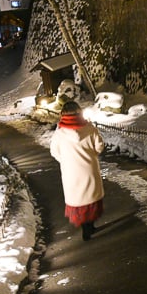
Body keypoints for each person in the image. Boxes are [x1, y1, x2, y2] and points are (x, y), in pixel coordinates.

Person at [50, 101, 105, 241]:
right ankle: (91, 225)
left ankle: (85, 229)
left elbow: (54, 152)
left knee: (79, 201)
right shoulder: (90, 128)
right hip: (89, 169)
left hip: (71, 173)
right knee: (91, 199)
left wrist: (66, 160)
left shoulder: (59, 133)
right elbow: (99, 146)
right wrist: (91, 154)